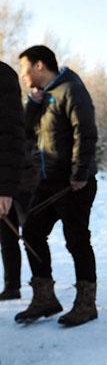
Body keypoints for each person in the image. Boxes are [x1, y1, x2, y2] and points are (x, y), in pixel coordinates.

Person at [15, 46, 99, 326]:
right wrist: (33, 103)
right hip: (47, 181)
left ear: (40, 66)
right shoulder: (42, 97)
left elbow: (85, 133)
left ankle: (86, 303)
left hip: (74, 182)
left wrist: (80, 172)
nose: (23, 76)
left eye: (25, 70)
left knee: (77, 239)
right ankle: (45, 298)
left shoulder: (71, 90)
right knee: (31, 232)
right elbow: (26, 132)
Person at [1, 60, 33, 301]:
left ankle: (18, 286)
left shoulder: (3, 76)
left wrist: (5, 188)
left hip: (14, 180)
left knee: (17, 232)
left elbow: (10, 136)